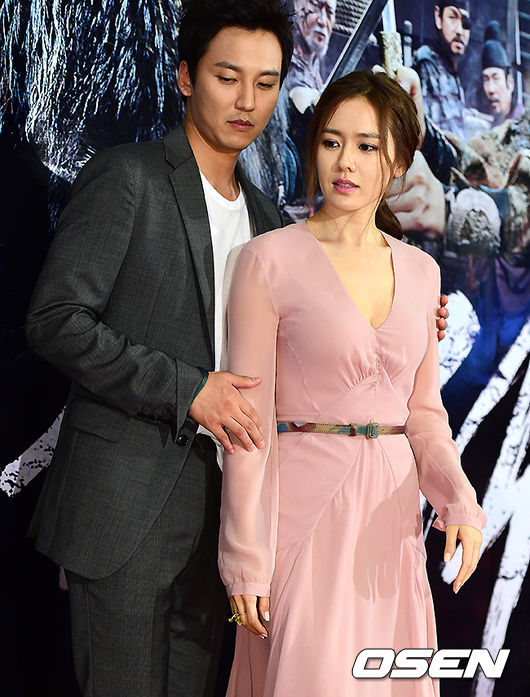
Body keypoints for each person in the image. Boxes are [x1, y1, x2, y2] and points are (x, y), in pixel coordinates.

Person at [23, 1, 293, 695]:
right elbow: (55, 318)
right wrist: (188, 388)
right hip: (125, 509)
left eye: (266, 83)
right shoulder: (129, 176)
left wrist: (413, 322)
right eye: (228, 77)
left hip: (225, 517)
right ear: (185, 76)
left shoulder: (270, 221)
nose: (247, 100)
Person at [218, 71, 486, 697]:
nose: (345, 162)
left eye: (367, 146)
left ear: (398, 162)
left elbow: (424, 416)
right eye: (331, 141)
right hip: (301, 515)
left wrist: (458, 501)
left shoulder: (421, 271)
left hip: (390, 522)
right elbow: (247, 427)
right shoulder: (266, 260)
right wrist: (245, 557)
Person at [413, 2, 471, 138]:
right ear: (438, 17)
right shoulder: (427, 62)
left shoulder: (452, 69)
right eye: (452, 17)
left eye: (465, 23)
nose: (459, 30)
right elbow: (434, 133)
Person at [481, 21, 524, 127]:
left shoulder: (523, 124)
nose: (490, 89)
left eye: (496, 78)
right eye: (486, 80)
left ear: (510, 83)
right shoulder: (493, 127)